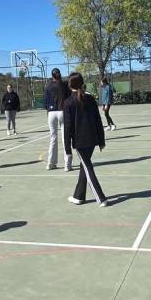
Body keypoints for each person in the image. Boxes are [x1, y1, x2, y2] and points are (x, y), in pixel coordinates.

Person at [63, 72, 111, 206]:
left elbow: (67, 128)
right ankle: (79, 196)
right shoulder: (90, 99)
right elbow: (98, 120)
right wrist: (101, 140)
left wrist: (67, 149)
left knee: (88, 168)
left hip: (80, 142)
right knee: (84, 166)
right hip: (92, 138)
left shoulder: (68, 102)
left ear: (70, 85)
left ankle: (101, 198)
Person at [44, 68, 72, 171]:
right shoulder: (64, 84)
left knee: (53, 138)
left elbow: (45, 102)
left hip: (51, 113)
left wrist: (48, 112)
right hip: (62, 112)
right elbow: (69, 98)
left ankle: (51, 163)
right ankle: (67, 164)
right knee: (65, 138)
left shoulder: (48, 85)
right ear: (59, 74)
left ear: (52, 76)